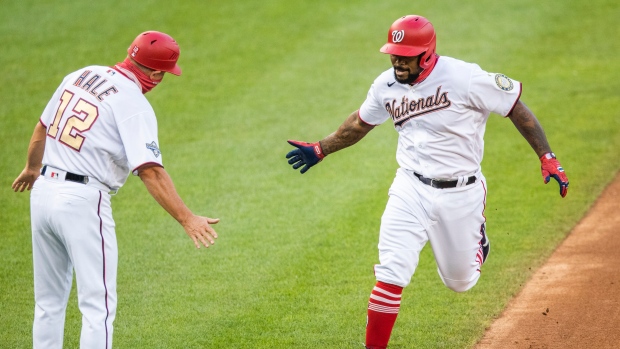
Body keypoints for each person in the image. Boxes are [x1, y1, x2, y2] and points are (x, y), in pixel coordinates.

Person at [285, 15, 569, 348]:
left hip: (461, 192)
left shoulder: (464, 78)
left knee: (460, 282)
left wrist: (546, 156)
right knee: (391, 273)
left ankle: (478, 240)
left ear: (427, 54)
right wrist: (321, 148)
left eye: (405, 55)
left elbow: (514, 107)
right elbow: (359, 124)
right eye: (393, 52)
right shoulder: (385, 86)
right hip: (410, 188)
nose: (397, 60)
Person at [12, 31, 220, 349]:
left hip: (42, 193)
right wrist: (187, 218)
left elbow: (42, 126)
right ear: (154, 73)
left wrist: (31, 168)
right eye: (163, 73)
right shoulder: (133, 103)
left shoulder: (80, 74)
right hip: (82, 201)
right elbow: (150, 170)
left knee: (48, 303)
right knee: (99, 307)